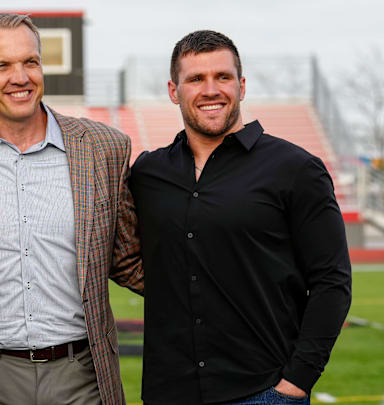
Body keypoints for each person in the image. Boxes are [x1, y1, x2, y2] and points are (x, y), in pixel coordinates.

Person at [0, 13, 144, 405]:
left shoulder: (103, 148)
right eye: (2, 65)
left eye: (30, 62)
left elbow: (129, 260)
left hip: (80, 374)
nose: (20, 77)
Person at [129, 30, 352, 404]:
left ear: (242, 86)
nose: (211, 90)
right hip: (169, 391)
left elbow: (332, 281)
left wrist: (296, 382)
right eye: (195, 79)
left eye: (223, 77)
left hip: (262, 391)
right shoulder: (148, 173)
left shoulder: (295, 169)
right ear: (173, 91)